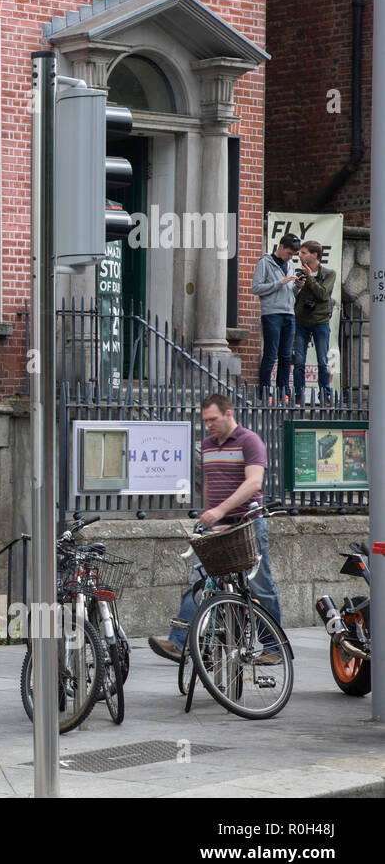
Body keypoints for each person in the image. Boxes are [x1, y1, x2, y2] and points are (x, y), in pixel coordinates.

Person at [148, 393, 282, 662]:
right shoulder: (207, 445)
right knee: (198, 580)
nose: (209, 425)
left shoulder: (250, 441)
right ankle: (178, 642)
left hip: (247, 524)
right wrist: (209, 514)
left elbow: (254, 483)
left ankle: (273, 649)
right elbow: (211, 481)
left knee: (260, 586)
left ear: (229, 414)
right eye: (205, 420)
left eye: (213, 419)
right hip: (217, 526)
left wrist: (221, 510)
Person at [251, 232, 300, 400]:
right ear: (280, 247)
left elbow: (291, 290)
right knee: (271, 354)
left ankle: (283, 392)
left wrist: (298, 286)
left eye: (293, 255)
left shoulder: (291, 264)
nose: (290, 257)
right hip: (272, 314)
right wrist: (280, 282)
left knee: (286, 356)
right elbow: (256, 288)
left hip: (289, 313)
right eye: (288, 253)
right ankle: (264, 392)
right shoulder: (265, 262)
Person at [291, 240, 337, 406]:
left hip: (320, 322)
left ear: (314, 255)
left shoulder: (329, 273)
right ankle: (298, 395)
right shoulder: (298, 272)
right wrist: (298, 286)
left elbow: (323, 294)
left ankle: (325, 396)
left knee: (322, 362)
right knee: (299, 361)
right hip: (301, 321)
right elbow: (294, 297)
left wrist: (310, 278)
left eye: (303, 252)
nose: (300, 255)